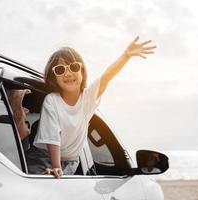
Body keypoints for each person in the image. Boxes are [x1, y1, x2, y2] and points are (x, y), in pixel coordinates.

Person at [27, 36, 156, 178]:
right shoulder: (52, 101)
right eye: (60, 70)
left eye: (73, 67)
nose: (68, 73)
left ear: (82, 71)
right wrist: (56, 167)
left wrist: (126, 55)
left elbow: (107, 76)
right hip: (43, 158)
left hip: (71, 162)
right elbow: (53, 137)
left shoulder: (87, 99)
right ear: (54, 76)